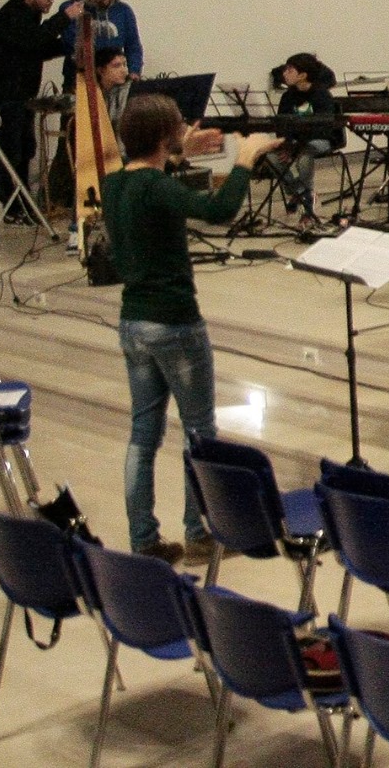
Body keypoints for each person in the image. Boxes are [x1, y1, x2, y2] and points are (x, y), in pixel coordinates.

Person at [103, 93, 280, 562]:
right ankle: (199, 533)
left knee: (143, 435)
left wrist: (178, 152)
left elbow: (151, 186)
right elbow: (219, 211)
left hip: (133, 321)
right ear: (165, 136)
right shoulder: (156, 187)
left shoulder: (114, 183)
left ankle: (144, 540)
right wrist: (243, 161)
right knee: (199, 430)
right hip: (175, 321)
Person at [0, 0, 80, 211]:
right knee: (10, 153)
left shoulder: (29, 16)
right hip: (5, 96)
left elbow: (36, 49)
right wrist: (64, 17)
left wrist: (68, 46)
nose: (51, 0)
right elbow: (33, 41)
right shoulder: (12, 16)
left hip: (22, 96)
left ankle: (23, 204)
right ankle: (12, 208)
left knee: (25, 151)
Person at [270, 52, 338, 225]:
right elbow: (282, 125)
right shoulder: (287, 96)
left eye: (289, 70)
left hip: (319, 140)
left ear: (302, 75)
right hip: (295, 143)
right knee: (272, 157)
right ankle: (302, 194)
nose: (284, 73)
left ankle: (305, 202)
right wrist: (286, 145)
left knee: (305, 156)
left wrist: (296, 147)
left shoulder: (322, 95)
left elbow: (322, 128)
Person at [60, 0, 141, 87]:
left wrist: (134, 71)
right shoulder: (71, 9)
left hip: (113, 80)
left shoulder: (124, 11)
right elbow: (69, 42)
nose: (106, 2)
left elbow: (133, 45)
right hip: (78, 78)